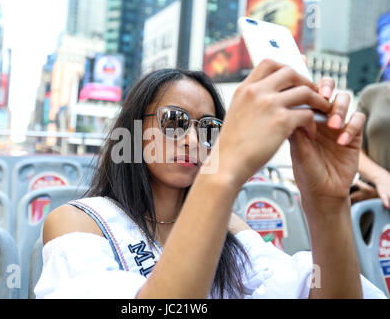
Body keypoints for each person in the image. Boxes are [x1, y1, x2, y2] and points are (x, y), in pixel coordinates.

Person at [34, 60, 386, 299]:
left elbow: (317, 288)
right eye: (175, 121)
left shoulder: (230, 228)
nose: (193, 141)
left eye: (209, 128)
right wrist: (224, 173)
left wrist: (327, 204)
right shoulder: (79, 222)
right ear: (135, 132)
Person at [350, 81, 390, 210]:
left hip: (375, 198)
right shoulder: (371, 95)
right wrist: (382, 178)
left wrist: (379, 195)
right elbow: (355, 151)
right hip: (369, 203)